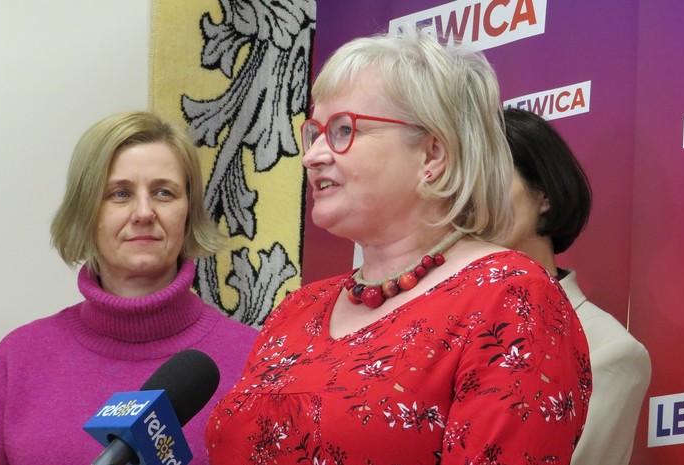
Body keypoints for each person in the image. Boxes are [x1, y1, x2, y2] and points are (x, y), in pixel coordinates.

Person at [205, 32, 591, 465]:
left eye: (343, 130)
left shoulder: (510, 296)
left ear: (433, 153)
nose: (312, 156)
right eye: (315, 133)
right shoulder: (297, 309)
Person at [0, 111, 258, 465]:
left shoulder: (254, 361)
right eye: (120, 193)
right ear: (86, 211)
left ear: (188, 211)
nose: (144, 212)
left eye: (163, 192)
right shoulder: (18, 360)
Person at [501, 107, 651, 465]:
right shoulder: (432, 329)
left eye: (490, 179)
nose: (469, 202)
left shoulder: (607, 350)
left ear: (544, 196)